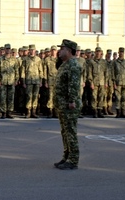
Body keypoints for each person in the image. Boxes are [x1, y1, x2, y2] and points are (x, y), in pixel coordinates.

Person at [53, 39, 81, 170]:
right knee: (65, 132)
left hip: (69, 105)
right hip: (62, 104)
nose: (60, 51)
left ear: (69, 51)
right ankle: (67, 156)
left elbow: (73, 85)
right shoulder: (65, 63)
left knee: (70, 132)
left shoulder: (73, 65)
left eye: (62, 49)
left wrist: (72, 101)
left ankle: (73, 159)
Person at [0, 44, 19, 119]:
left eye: (9, 49)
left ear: (10, 49)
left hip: (11, 81)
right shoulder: (0, 59)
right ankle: (3, 112)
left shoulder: (14, 60)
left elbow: (16, 70)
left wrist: (16, 80)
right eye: (6, 49)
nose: (8, 50)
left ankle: (9, 112)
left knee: (10, 98)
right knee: (2, 97)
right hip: (3, 81)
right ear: (4, 50)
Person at [21, 44, 43, 118]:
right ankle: (28, 112)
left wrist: (41, 81)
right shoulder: (25, 59)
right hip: (28, 81)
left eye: (33, 50)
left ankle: (34, 111)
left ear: (35, 50)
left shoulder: (38, 59)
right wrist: (23, 82)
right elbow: (23, 71)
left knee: (35, 96)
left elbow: (41, 71)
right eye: (30, 50)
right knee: (28, 96)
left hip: (36, 81)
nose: (32, 51)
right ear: (29, 51)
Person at [88, 47, 107, 118]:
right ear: (95, 52)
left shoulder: (103, 62)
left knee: (101, 97)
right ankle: (94, 111)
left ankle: (100, 111)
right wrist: (91, 82)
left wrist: (106, 82)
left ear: (101, 53)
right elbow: (89, 73)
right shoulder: (92, 62)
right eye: (97, 52)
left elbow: (106, 73)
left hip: (102, 82)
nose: (98, 53)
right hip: (94, 82)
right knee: (94, 97)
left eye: (99, 52)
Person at [112, 47, 125, 118]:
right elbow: (112, 73)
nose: (121, 53)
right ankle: (118, 112)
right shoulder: (115, 62)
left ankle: (122, 112)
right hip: (117, 82)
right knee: (118, 98)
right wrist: (114, 83)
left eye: (122, 52)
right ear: (118, 52)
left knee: (124, 98)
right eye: (120, 52)